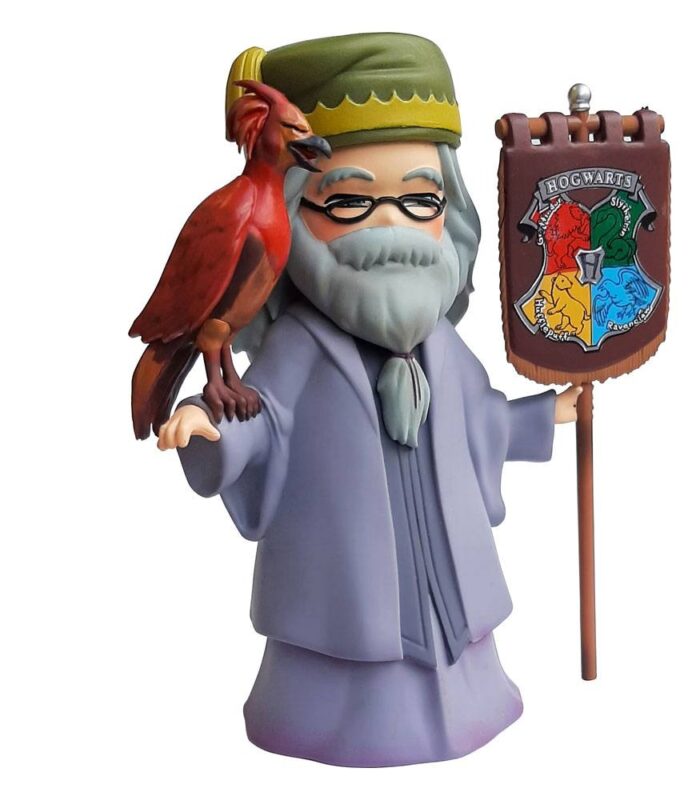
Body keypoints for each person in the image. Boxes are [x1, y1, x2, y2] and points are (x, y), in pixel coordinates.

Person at [156, 32, 581, 767]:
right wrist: (207, 423)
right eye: (350, 202)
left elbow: (477, 422)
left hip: (448, 590)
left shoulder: (441, 346)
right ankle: (334, 719)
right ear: (293, 212)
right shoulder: (298, 347)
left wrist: (547, 416)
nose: (392, 226)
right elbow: (262, 419)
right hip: (339, 590)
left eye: (420, 199)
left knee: (458, 640)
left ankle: (466, 698)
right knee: (343, 647)